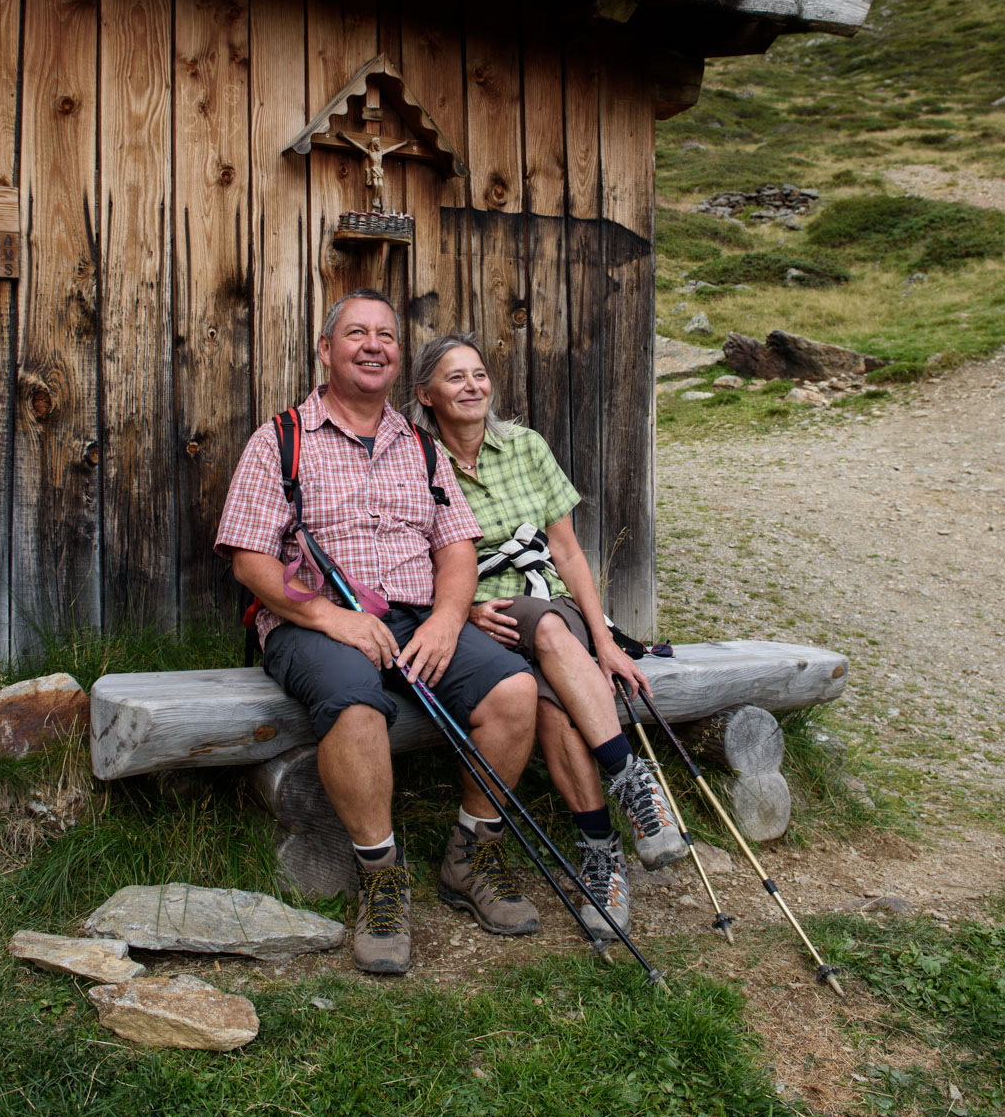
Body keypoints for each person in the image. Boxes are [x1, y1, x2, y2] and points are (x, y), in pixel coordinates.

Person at [215, 289, 540, 977]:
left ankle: (470, 853)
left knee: (514, 691)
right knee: (356, 707)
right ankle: (381, 874)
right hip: (313, 620)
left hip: (417, 619)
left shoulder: (419, 446)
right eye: (356, 333)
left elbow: (454, 550)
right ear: (326, 350)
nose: (372, 345)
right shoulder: (281, 440)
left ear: (397, 356)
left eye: (386, 336)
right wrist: (332, 618)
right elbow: (250, 558)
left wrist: (449, 621)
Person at [411, 331, 687, 944]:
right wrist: (457, 612)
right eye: (455, 378)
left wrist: (606, 637)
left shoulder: (526, 446)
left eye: (479, 374)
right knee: (549, 709)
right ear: (427, 394)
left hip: (542, 604)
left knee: (549, 627)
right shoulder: (414, 458)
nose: (472, 386)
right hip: (476, 620)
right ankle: (607, 836)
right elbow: (406, 556)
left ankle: (625, 794)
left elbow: (565, 548)